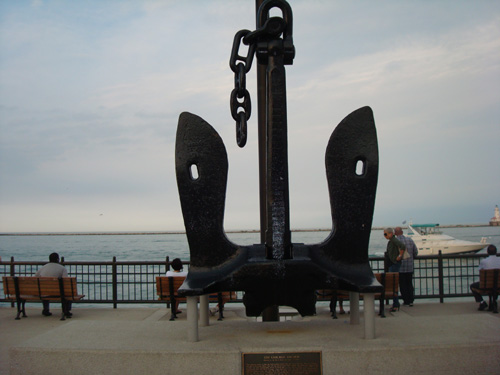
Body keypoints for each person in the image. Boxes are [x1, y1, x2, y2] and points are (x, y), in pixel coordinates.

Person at [35, 252, 71, 317]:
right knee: (68, 292)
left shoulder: (43, 268)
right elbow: (66, 281)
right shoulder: (62, 268)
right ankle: (66, 310)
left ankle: (46, 309)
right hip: (58, 293)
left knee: (45, 290)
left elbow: (35, 278)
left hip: (44, 292)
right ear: (57, 259)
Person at [470, 245, 500, 311]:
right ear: (496, 252)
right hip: (499, 285)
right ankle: (494, 301)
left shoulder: (484, 261)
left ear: (487, 252)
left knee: (472, 286)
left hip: (486, 285)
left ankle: (482, 302)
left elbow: (480, 269)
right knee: (495, 284)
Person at [395, 226, 418, 306]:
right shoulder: (410, 240)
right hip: (409, 266)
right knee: (409, 283)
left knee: (402, 285)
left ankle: (406, 300)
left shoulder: (395, 241)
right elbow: (415, 252)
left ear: (395, 233)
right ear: (402, 232)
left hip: (400, 267)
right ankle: (411, 300)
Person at [384, 227, 406, 311]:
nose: (384, 236)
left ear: (390, 234)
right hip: (392, 264)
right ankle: (395, 303)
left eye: (385, 234)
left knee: (393, 284)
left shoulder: (393, 240)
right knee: (393, 284)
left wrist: (399, 256)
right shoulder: (391, 241)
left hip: (394, 264)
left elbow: (402, 246)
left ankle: (395, 304)